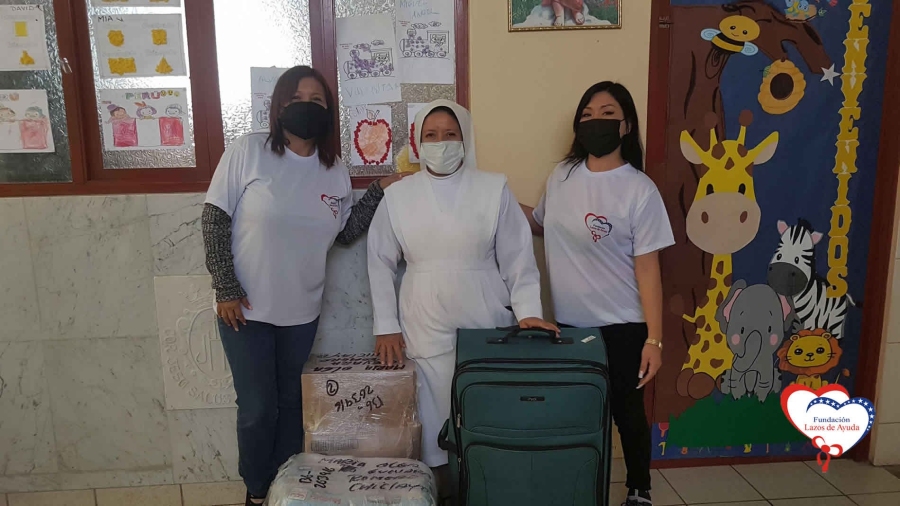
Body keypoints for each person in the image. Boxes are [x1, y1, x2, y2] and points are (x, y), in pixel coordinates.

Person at [201, 65, 408, 506]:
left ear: (329, 110)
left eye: (317, 100)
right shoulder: (249, 151)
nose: (307, 106)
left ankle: (285, 488)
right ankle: (257, 492)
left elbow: (345, 232)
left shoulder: (333, 170)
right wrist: (225, 286)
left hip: (301, 313)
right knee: (258, 409)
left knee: (292, 405)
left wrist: (379, 189)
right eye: (297, 98)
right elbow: (215, 218)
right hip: (245, 311)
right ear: (279, 106)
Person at [367, 99, 558, 499]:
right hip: (423, 321)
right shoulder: (399, 196)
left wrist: (528, 313)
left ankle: (489, 491)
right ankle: (444, 494)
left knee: (485, 414)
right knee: (435, 422)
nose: (441, 143)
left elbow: (518, 258)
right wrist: (386, 326)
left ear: (465, 138)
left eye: (450, 134)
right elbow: (380, 261)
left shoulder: (493, 189)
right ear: (418, 143)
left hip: (485, 321)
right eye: (431, 135)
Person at [521, 82, 673, 506]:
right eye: (587, 114)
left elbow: (649, 269)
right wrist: (492, 201)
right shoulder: (562, 176)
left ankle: (639, 491)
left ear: (626, 125)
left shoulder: (639, 189)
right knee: (579, 414)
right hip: (570, 326)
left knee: (627, 413)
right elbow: (540, 223)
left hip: (623, 324)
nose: (595, 121)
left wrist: (655, 340)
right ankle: (580, 488)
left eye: (607, 113)